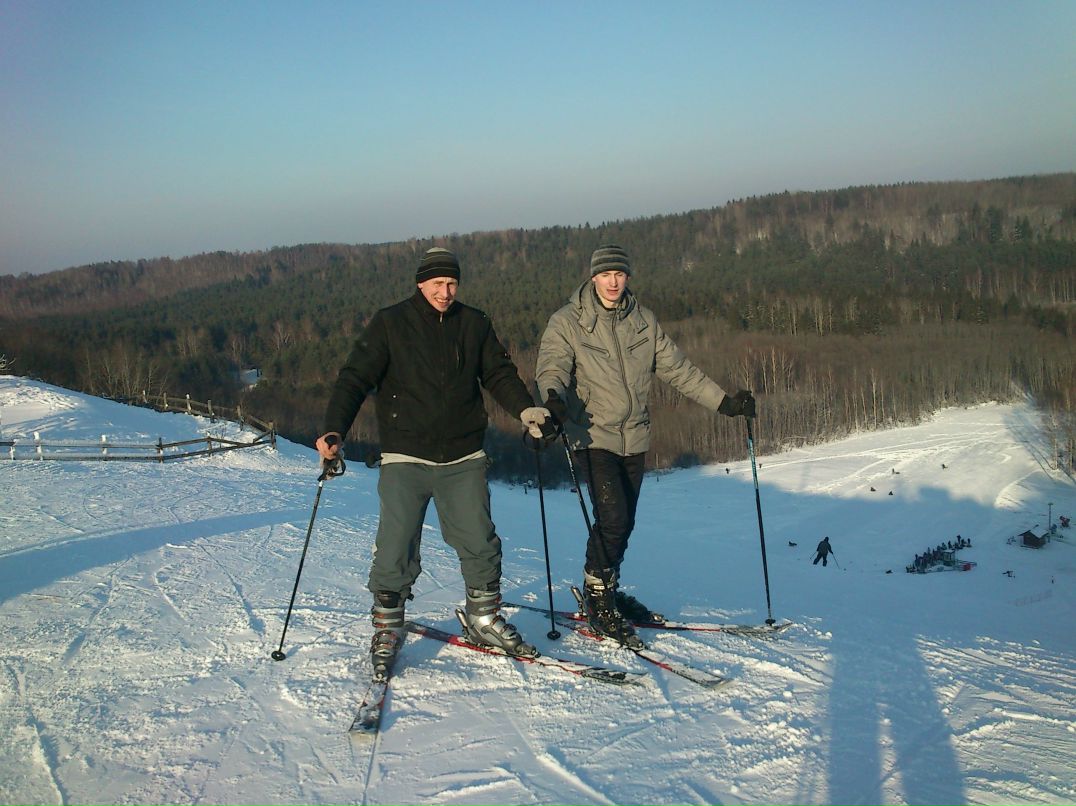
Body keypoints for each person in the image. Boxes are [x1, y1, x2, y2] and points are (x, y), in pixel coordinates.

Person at [316, 247, 553, 679]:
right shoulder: (391, 323)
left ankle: (483, 618)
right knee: (396, 544)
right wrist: (335, 429)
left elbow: (498, 373)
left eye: (452, 284)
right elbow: (354, 378)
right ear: (420, 283)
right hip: (405, 454)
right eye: (438, 284)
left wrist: (525, 410)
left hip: (463, 454)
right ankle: (388, 627)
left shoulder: (474, 323)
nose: (445, 292)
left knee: (479, 540)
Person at [535, 243, 754, 648]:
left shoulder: (643, 322)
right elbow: (552, 366)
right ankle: (598, 597)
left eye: (619, 274)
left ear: (628, 277)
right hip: (592, 435)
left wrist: (724, 403)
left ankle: (606, 587)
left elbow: (679, 370)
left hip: (634, 436)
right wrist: (552, 402)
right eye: (605, 274)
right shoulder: (568, 322)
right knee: (614, 517)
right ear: (593, 277)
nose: (613, 282)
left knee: (623, 523)